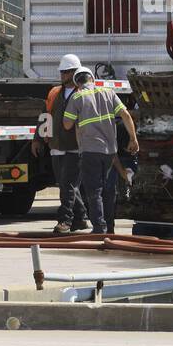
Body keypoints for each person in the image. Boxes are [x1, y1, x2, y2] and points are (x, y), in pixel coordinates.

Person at [62, 68, 139, 234]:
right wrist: (133, 139)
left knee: (93, 191)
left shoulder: (77, 97)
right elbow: (125, 115)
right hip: (110, 152)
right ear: (92, 79)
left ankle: (99, 228)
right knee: (109, 191)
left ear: (77, 83)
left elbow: (67, 124)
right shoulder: (108, 92)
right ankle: (109, 228)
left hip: (90, 151)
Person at [34, 53, 91, 234]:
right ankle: (81, 217)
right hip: (56, 146)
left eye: (66, 72)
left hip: (76, 146)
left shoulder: (83, 93)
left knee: (68, 185)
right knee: (66, 184)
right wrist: (37, 139)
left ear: (75, 72)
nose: (63, 75)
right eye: (62, 72)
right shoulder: (54, 93)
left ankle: (65, 221)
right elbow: (45, 116)